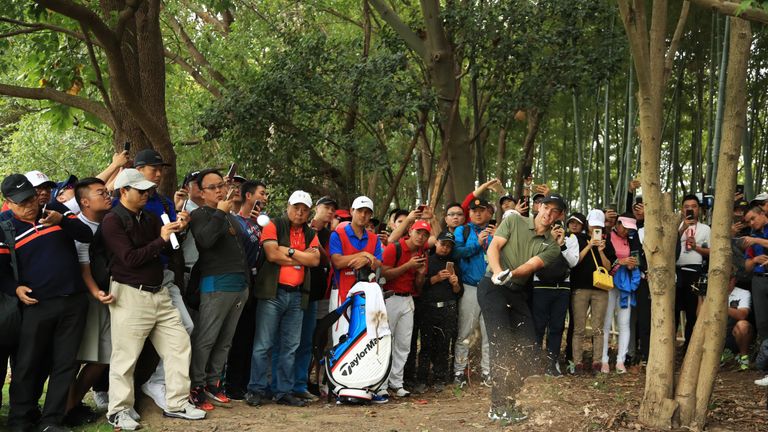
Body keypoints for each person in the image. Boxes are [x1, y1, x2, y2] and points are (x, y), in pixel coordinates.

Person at [101, 169, 205, 429]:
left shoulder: (147, 217)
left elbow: (169, 248)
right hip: (130, 294)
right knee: (126, 357)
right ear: (124, 191)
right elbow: (130, 258)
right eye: (140, 190)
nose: (147, 194)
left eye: (147, 190)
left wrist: (178, 230)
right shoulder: (112, 221)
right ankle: (119, 410)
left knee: (179, 344)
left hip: (159, 292)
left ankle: (177, 403)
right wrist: (161, 238)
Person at [1, 173, 92, 432]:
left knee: (64, 363)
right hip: (36, 305)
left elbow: (86, 234)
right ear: (8, 201)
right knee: (28, 363)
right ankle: (20, 419)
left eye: (31, 197)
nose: (29, 205)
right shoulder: (5, 226)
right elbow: (1, 271)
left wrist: (62, 220)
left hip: (73, 300)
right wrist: (14, 288)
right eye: (21, 202)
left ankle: (51, 420)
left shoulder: (55, 209)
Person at [480, 194, 566, 422]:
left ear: (560, 216)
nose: (548, 213)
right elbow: (493, 247)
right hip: (491, 286)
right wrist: (498, 272)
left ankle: (512, 401)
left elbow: (530, 266)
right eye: (546, 207)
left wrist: (510, 274)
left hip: (516, 290)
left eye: (555, 211)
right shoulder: (514, 220)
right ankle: (498, 406)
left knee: (527, 347)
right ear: (539, 206)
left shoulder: (552, 247)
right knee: (502, 343)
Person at [246, 191, 320, 408]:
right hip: (273, 293)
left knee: (290, 346)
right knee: (264, 344)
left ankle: (283, 391)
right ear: (288, 206)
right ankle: (256, 389)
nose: (300, 212)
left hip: (297, 295)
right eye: (296, 207)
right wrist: (300, 256)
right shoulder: (273, 225)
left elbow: (315, 260)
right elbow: (272, 255)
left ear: (309, 212)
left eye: (304, 209)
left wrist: (287, 251)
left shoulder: (309, 232)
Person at [188, 169, 250, 411]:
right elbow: (205, 241)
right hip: (216, 284)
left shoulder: (231, 216)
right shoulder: (200, 214)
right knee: (206, 338)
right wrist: (220, 213)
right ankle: (197, 386)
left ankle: (214, 384)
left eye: (220, 186)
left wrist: (246, 285)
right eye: (212, 187)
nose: (219, 190)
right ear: (201, 193)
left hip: (239, 286)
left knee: (225, 341)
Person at [65, 178, 115, 427]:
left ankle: (72, 403)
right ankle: (66, 406)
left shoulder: (111, 222)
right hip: (85, 298)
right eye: (100, 193)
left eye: (107, 191)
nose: (107, 196)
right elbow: (84, 268)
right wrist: (96, 292)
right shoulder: (78, 226)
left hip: (110, 296)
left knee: (104, 356)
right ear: (84, 202)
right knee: (75, 357)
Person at [287, 195, 336, 401]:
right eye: (326, 207)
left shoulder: (327, 234)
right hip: (295, 289)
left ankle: (302, 384)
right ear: (316, 208)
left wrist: (316, 246)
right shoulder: (300, 227)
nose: (330, 212)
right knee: (290, 341)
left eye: (333, 209)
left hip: (316, 293)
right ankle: (285, 385)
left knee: (310, 342)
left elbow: (325, 259)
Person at [224, 180, 268, 400]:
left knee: (252, 336)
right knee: (238, 336)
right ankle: (231, 384)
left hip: (260, 286)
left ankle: (247, 383)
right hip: (241, 283)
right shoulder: (236, 221)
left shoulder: (263, 223)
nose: (265, 197)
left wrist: (261, 225)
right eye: (261, 193)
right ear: (248, 196)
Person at [381, 220, 431, 398]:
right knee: (386, 342)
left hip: (408, 299)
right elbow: (384, 274)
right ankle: (381, 383)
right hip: (390, 297)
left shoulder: (422, 253)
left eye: (425, 234)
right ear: (410, 231)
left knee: (404, 344)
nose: (421, 236)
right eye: (418, 232)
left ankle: (396, 382)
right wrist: (408, 266)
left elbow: (418, 286)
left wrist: (421, 274)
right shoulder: (394, 248)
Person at [328, 196, 382, 344]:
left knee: (365, 338)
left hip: (367, 294)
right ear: (352, 211)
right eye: (359, 211)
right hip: (341, 291)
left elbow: (378, 262)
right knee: (341, 338)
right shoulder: (337, 234)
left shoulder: (374, 238)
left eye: (367, 212)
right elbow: (337, 261)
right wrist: (364, 255)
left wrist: (366, 260)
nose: (363, 215)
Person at [414, 231, 463, 393]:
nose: (445, 248)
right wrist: (436, 278)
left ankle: (439, 378)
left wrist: (455, 283)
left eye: (449, 246)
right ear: (436, 243)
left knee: (443, 345)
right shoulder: (427, 260)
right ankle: (421, 379)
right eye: (443, 244)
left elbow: (459, 291)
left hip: (448, 308)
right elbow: (418, 287)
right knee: (426, 345)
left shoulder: (454, 263)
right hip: (428, 307)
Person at [452, 198, 494, 387]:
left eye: (481, 210)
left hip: (491, 286)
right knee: (465, 331)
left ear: (488, 212)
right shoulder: (463, 230)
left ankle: (487, 371)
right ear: (469, 213)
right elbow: (457, 253)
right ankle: (459, 372)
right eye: (474, 210)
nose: (477, 213)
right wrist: (477, 243)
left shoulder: (495, 231)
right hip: (469, 287)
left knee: (489, 332)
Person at [531, 216, 579, 377]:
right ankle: (535, 363)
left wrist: (562, 245)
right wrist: (550, 241)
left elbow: (572, 263)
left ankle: (552, 363)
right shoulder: (539, 239)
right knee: (538, 326)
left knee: (557, 327)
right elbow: (533, 258)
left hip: (562, 288)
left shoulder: (571, 240)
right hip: (540, 286)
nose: (556, 229)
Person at [570, 209, 616, 374]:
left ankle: (597, 363)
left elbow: (609, 267)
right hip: (580, 288)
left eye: (599, 225)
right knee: (579, 328)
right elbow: (575, 261)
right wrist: (589, 245)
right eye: (593, 224)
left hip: (600, 290)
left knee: (598, 328)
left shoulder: (606, 242)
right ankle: (577, 363)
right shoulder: (578, 239)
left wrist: (602, 251)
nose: (596, 227)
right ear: (587, 224)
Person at [601, 215, 642, 374]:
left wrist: (632, 265)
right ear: (617, 224)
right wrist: (620, 262)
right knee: (606, 322)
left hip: (625, 285)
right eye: (624, 227)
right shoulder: (607, 237)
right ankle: (604, 359)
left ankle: (620, 360)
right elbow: (602, 260)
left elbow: (637, 260)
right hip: (608, 283)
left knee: (624, 323)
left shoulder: (632, 240)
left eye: (630, 228)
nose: (626, 231)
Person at [676, 195, 711, 347]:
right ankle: (668, 348)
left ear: (700, 210)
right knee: (673, 311)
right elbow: (665, 248)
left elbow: (711, 252)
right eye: (686, 206)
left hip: (695, 272)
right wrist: (681, 229)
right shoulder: (675, 227)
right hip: (676, 272)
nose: (690, 209)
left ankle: (688, 348)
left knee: (692, 312)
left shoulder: (705, 228)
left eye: (694, 206)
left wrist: (696, 247)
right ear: (682, 210)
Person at [744, 205, 768, 342]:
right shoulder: (752, 236)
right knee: (762, 322)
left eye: (753, 218)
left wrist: (755, 240)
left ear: (762, 213)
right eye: (748, 221)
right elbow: (746, 267)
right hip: (758, 281)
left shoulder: (754, 239)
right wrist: (754, 260)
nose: (751, 223)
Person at [723, 272, 752, 370]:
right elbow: (699, 315)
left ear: (734, 280)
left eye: (729, 278)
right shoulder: (711, 292)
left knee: (743, 325)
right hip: (716, 332)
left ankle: (743, 358)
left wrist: (720, 306)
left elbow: (742, 315)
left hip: (734, 333)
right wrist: (701, 296)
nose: (726, 282)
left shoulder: (744, 293)